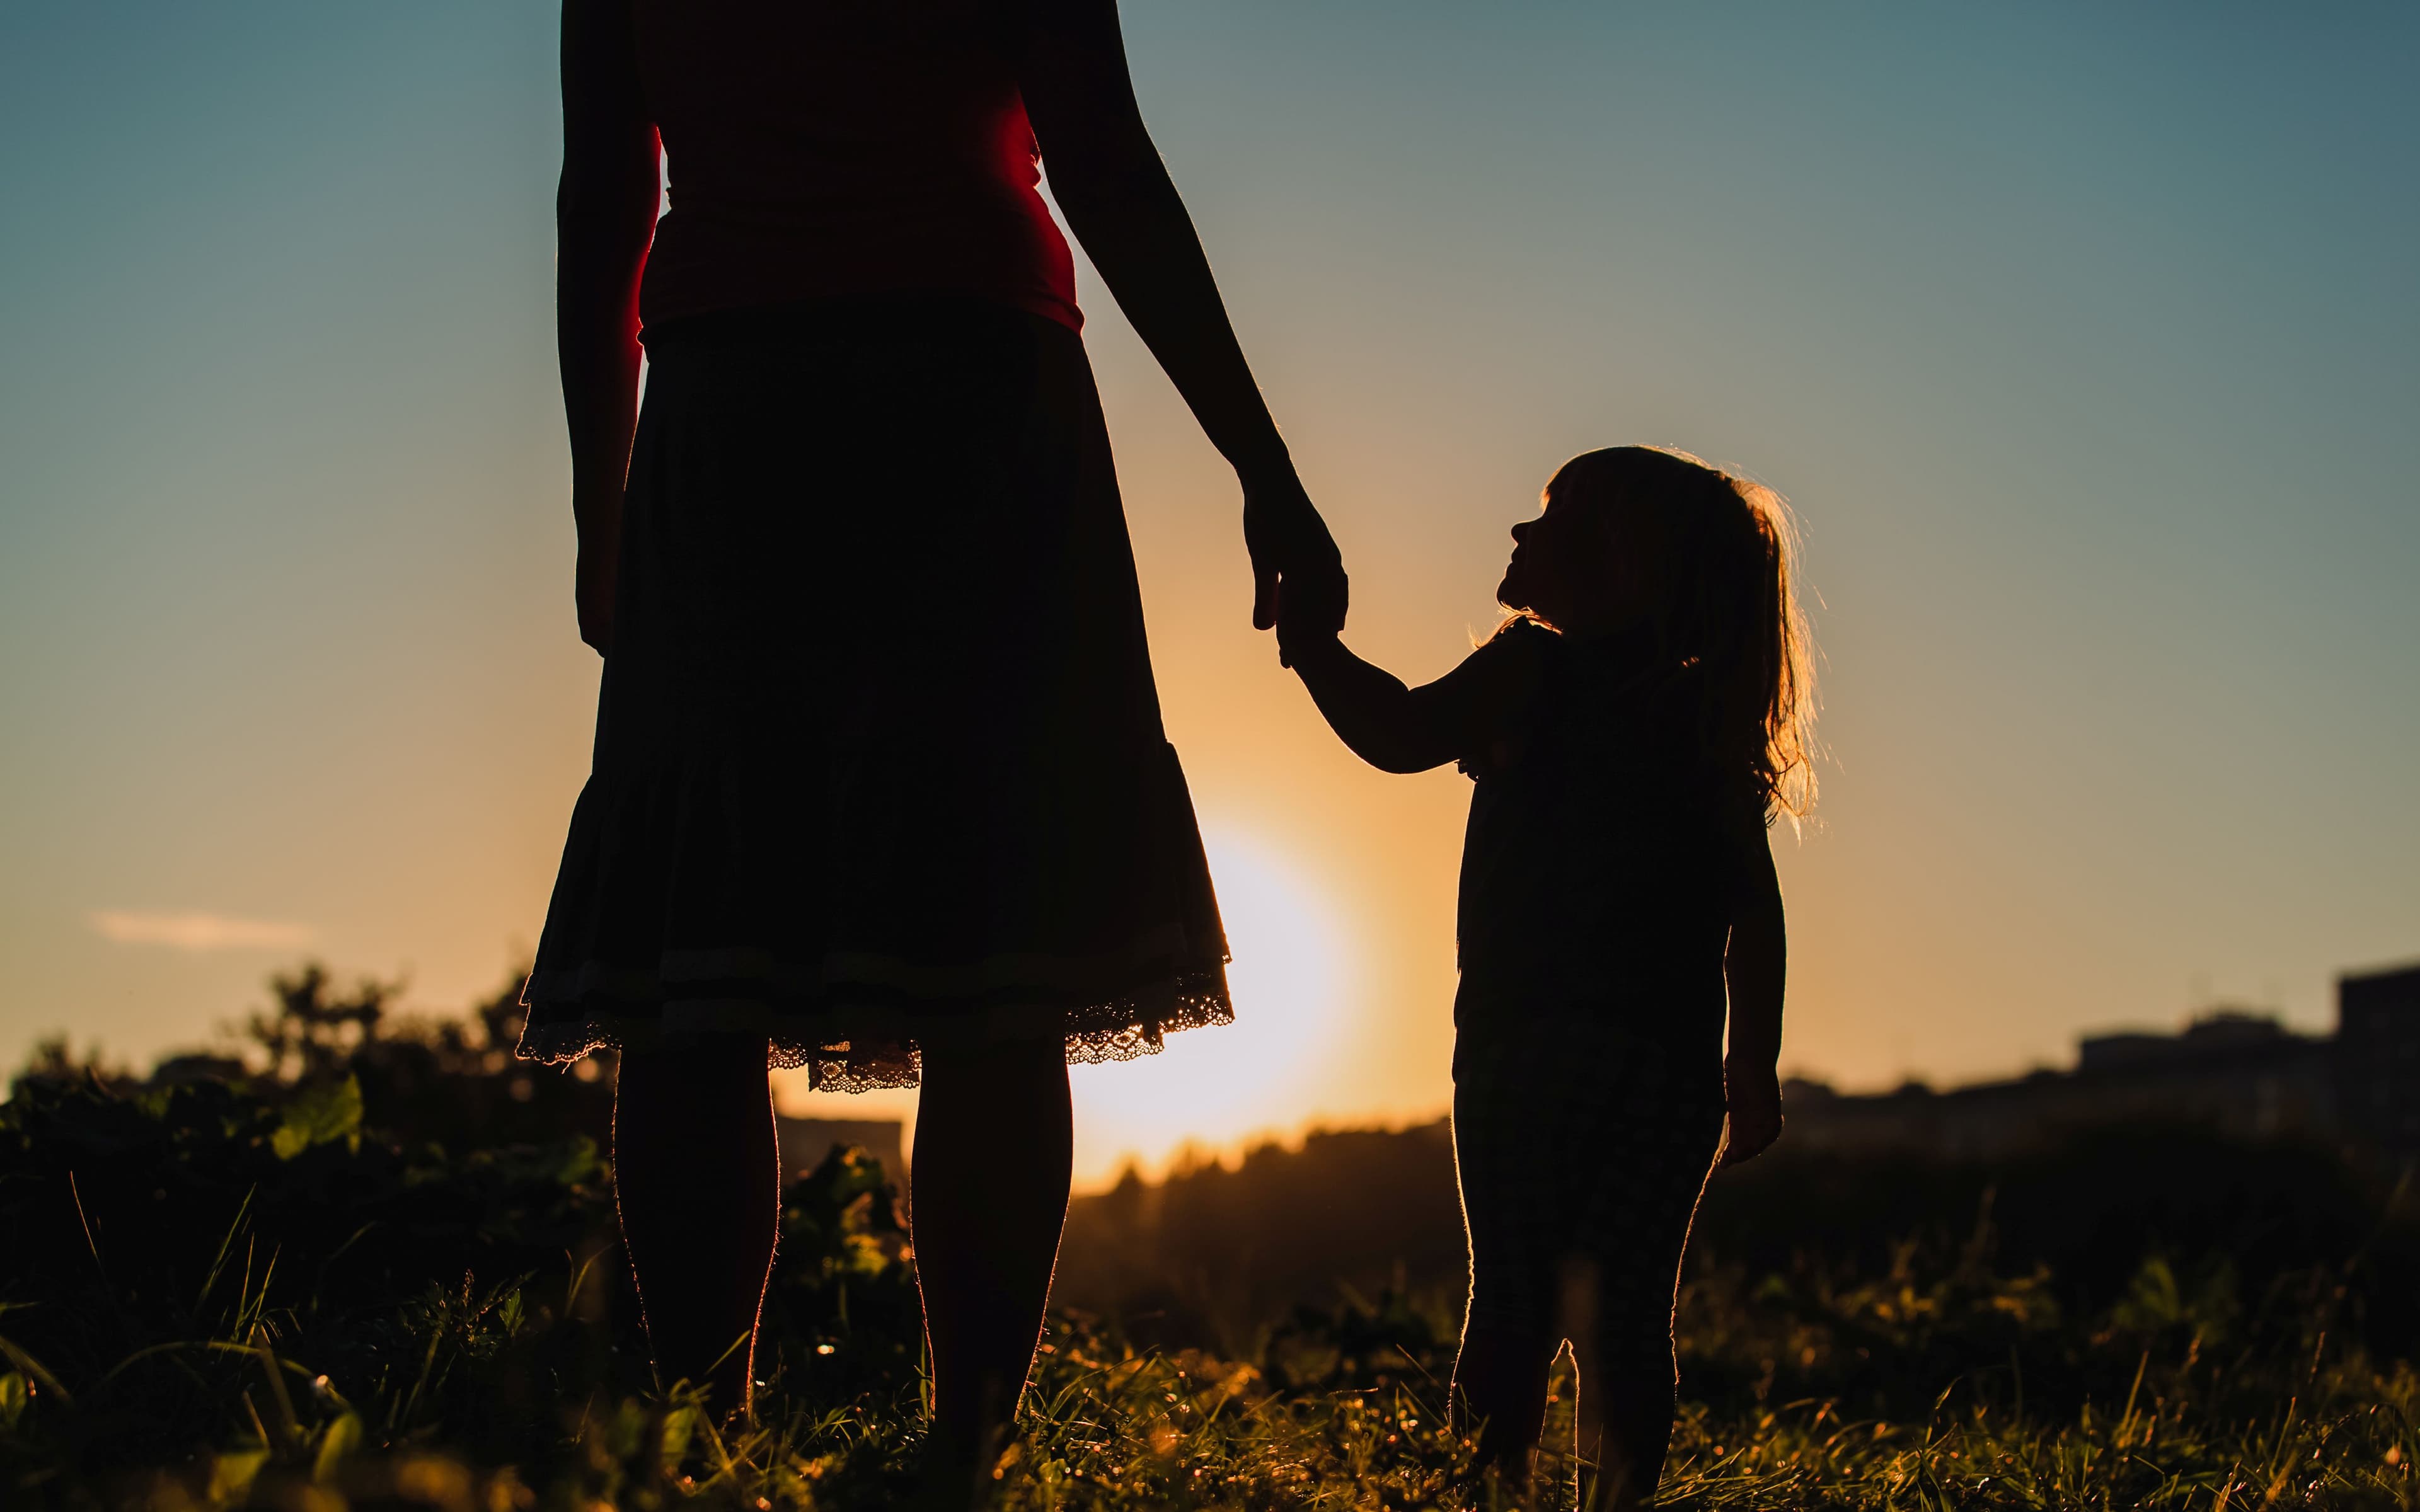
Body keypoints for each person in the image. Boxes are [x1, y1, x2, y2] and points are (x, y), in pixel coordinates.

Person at [521, 0, 1349, 1484]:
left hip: (734, 407)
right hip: (972, 395)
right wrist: (1263, 464)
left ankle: (703, 1440)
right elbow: (1100, 156)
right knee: (999, 943)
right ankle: (963, 1446)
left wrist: (605, 495)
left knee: (698, 954)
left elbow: (605, 194)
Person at [1277, 445, 1814, 1508]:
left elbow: (1399, 733)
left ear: (1620, 559)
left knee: (1514, 1304)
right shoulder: (1701, 719)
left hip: (1525, 1051)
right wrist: (1749, 1060)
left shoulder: (1533, 669)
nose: (1521, 535)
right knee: (1629, 1320)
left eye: (1551, 516)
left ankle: (1491, 1496)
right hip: (1665, 1074)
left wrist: (1311, 647)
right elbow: (1754, 912)